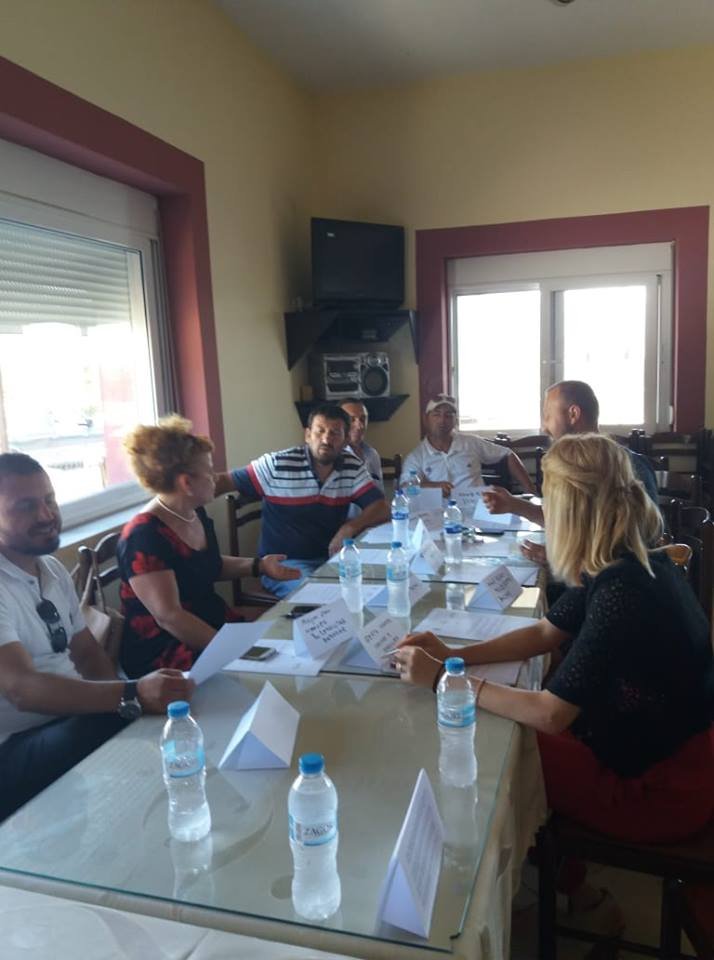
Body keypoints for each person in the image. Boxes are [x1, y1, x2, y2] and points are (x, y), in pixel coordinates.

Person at [395, 435, 714, 853]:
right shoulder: (624, 558)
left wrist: (443, 679)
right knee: (502, 721)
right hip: (659, 752)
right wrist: (454, 655)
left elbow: (550, 714)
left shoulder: (622, 590)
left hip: (660, 789)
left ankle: (539, 873)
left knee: (495, 745)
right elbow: (545, 633)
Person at [0, 452, 194, 822]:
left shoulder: (50, 569)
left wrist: (130, 705)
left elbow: (88, 655)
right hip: (13, 749)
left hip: (68, 721)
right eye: (25, 506)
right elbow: (22, 690)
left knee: (164, 716)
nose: (45, 515)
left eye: (49, 500)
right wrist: (131, 695)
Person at [118, 416, 300, 678]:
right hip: (167, 650)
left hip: (210, 624)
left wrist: (259, 566)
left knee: (289, 646)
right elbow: (170, 617)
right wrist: (231, 652)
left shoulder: (193, 512)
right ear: (186, 483)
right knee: (270, 672)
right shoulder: (143, 536)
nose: (216, 477)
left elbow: (206, 565)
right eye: (210, 470)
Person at [214, 404, 390, 598]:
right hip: (284, 565)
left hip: (332, 560)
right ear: (307, 435)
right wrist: (188, 508)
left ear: (346, 439)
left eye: (335, 433)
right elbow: (222, 482)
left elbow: (381, 507)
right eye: (319, 431)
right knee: (321, 595)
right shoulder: (277, 464)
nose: (326, 439)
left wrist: (349, 528)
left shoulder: (351, 466)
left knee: (385, 581)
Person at [482, 381, 659, 563]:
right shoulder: (572, 466)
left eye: (548, 416)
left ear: (573, 414)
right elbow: (569, 521)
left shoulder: (629, 466)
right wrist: (514, 505)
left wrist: (563, 558)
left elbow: (640, 544)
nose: (544, 428)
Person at [401, 394, 534, 498]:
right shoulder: (416, 456)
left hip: (480, 511)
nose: (442, 420)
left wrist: (531, 493)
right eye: (436, 414)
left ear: (455, 420)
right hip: (439, 515)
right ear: (426, 419)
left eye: (448, 415)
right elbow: (405, 487)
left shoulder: (471, 443)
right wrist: (433, 487)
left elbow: (508, 454)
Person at [340, 398, 383, 491]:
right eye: (352, 419)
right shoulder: (334, 457)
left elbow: (380, 492)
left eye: (363, 419)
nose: (360, 426)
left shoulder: (372, 454)